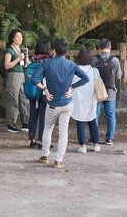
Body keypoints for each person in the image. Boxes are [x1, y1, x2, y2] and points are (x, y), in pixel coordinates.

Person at [30, 39, 89, 169]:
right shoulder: (71, 65)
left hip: (52, 103)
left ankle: (45, 155)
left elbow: (33, 78)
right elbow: (86, 78)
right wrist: (72, 87)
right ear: (66, 51)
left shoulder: (46, 63)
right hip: (67, 103)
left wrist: (44, 89)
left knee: (48, 128)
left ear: (54, 50)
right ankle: (58, 160)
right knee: (63, 132)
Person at [92, 38, 122, 145]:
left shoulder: (95, 60)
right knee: (110, 115)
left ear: (99, 48)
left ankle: (94, 137)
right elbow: (119, 76)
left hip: (97, 91)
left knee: (95, 114)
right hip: (110, 91)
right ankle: (109, 138)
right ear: (110, 47)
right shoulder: (115, 60)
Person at [71, 48, 101, 154]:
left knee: (80, 121)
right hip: (91, 98)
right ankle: (96, 144)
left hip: (78, 98)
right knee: (92, 120)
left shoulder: (75, 69)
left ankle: (82, 145)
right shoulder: (94, 70)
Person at [3, 29, 30, 133]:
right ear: (13, 38)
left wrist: (26, 60)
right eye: (18, 37)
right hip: (13, 75)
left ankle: (25, 122)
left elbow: (24, 65)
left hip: (22, 74)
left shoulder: (21, 50)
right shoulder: (10, 50)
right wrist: (18, 59)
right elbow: (7, 65)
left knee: (24, 98)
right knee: (13, 99)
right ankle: (11, 123)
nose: (20, 39)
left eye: (21, 37)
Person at [26, 40, 50, 149]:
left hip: (32, 92)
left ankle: (32, 139)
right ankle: (41, 141)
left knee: (32, 115)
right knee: (43, 117)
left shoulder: (32, 61)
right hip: (43, 92)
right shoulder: (47, 61)